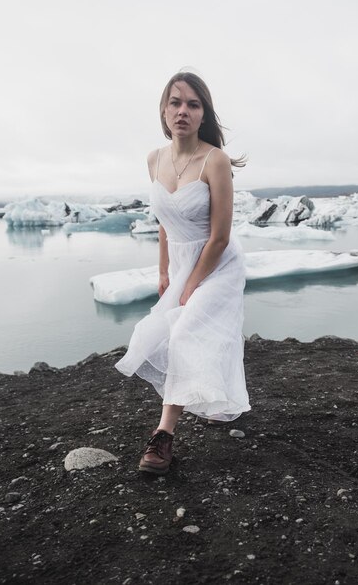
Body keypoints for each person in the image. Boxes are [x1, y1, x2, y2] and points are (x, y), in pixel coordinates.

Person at [115, 71, 250, 474]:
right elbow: (164, 219)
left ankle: (163, 437)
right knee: (209, 332)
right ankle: (219, 402)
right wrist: (164, 272)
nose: (182, 111)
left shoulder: (215, 159)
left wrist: (191, 284)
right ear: (163, 109)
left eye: (192, 104)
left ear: (203, 113)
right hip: (179, 262)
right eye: (175, 102)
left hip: (217, 262)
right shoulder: (155, 159)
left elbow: (221, 236)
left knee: (187, 333)